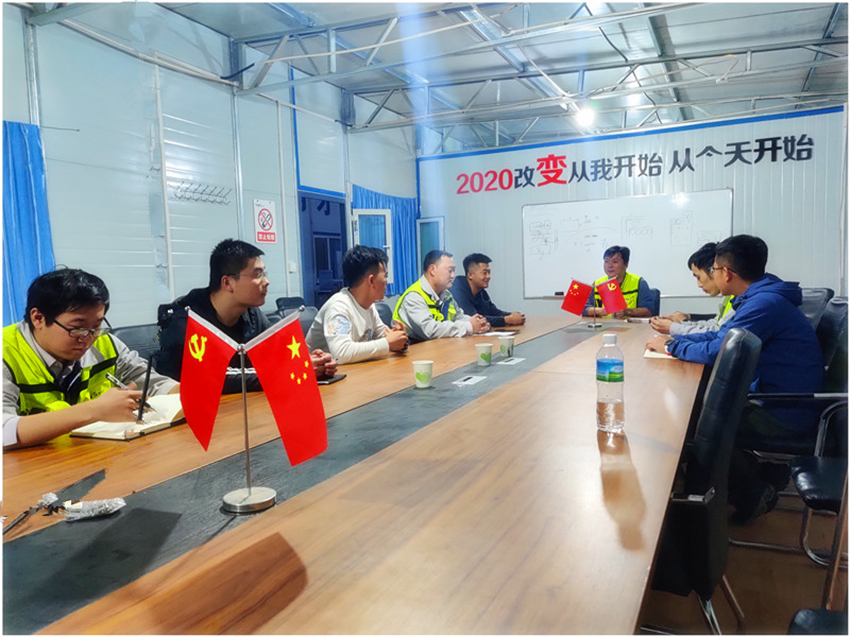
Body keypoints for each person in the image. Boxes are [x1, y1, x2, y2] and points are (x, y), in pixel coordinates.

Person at [645, 235, 824, 523]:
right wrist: (674, 341)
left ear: (726, 273)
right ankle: (757, 474)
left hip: (784, 410)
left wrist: (671, 347)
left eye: (714, 270)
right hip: (771, 397)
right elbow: (721, 336)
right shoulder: (759, 298)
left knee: (688, 420)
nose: (712, 275)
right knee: (691, 407)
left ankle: (750, 491)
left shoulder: (765, 304)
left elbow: (720, 349)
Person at [2, 269, 179, 449]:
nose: (88, 338)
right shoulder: (6, 353)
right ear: (38, 318)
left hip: (91, 453)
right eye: (77, 328)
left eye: (97, 325)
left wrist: (188, 393)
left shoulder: (103, 342)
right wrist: (94, 411)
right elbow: (4, 432)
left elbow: (153, 383)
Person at [158, 239, 337, 393]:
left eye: (264, 273)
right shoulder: (187, 320)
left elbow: (282, 353)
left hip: (244, 407)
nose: (266, 282)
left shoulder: (251, 314)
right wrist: (288, 371)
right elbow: (213, 377)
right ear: (228, 283)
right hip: (189, 414)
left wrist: (313, 362)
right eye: (257, 274)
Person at [306, 246, 408, 364]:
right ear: (371, 280)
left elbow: (383, 337)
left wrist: (399, 339)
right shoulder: (338, 307)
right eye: (385, 276)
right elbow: (341, 354)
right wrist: (387, 343)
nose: (387, 282)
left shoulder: (369, 305)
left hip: (353, 370)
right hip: (320, 373)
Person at [393, 250, 490, 342]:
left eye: (454, 271)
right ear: (432, 270)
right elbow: (430, 330)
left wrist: (479, 323)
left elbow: (459, 316)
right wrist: (469, 327)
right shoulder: (414, 297)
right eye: (450, 271)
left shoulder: (446, 295)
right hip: (415, 349)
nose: (453, 276)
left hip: (439, 347)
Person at [650, 242, 735, 335]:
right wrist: (680, 324)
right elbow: (715, 324)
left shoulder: (740, 299)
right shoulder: (729, 296)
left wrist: (674, 328)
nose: (699, 285)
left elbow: (716, 333)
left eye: (698, 277)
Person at [451, 253, 525, 328]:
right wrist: (506, 320)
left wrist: (512, 315)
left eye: (489, 273)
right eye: (484, 273)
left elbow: (494, 312)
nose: (488, 276)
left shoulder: (481, 291)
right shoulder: (458, 292)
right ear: (470, 275)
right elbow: (474, 319)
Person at [584, 245, 654, 318]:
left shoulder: (639, 283)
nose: (610, 265)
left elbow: (649, 310)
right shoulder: (598, 284)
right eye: (606, 261)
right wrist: (599, 311)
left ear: (626, 265)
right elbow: (585, 309)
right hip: (604, 324)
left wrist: (627, 312)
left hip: (630, 324)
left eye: (615, 261)